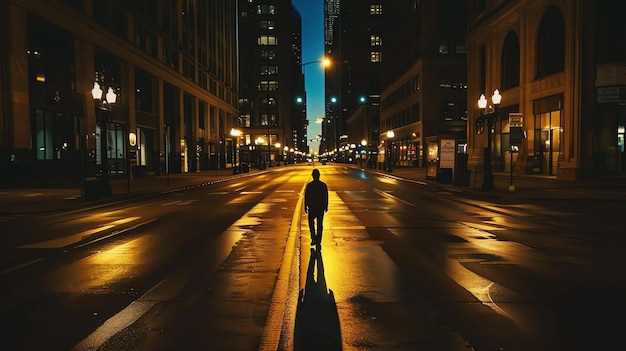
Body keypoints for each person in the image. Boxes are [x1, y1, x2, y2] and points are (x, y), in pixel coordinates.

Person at [304, 168, 328, 246]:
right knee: (319, 224)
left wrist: (305, 206)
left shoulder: (310, 186)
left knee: (311, 224)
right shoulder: (323, 185)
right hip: (320, 207)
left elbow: (306, 196)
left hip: (312, 207)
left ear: (313, 176)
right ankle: (318, 239)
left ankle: (313, 238)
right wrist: (325, 206)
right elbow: (325, 197)